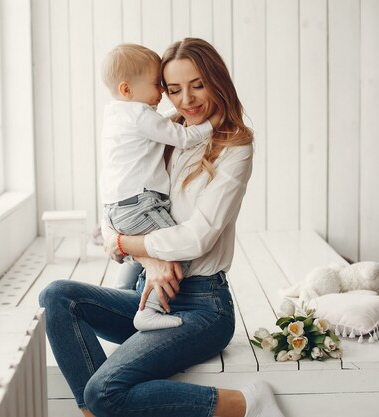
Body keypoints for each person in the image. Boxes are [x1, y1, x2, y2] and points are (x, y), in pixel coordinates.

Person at [39, 38, 285, 417]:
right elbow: (115, 204)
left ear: (217, 81)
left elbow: (198, 237)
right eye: (174, 89)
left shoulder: (236, 146)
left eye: (198, 84)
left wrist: (128, 244)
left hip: (202, 308)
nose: (187, 99)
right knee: (57, 296)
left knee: (104, 391)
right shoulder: (159, 132)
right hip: (147, 296)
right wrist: (140, 253)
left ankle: (248, 402)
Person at [100, 43, 217, 331]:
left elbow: (157, 125)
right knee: (180, 252)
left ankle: (127, 297)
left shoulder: (116, 114)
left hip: (116, 209)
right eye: (157, 85)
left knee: (158, 252)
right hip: (140, 204)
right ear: (127, 90)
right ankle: (148, 310)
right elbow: (184, 137)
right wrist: (213, 124)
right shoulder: (140, 116)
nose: (163, 93)